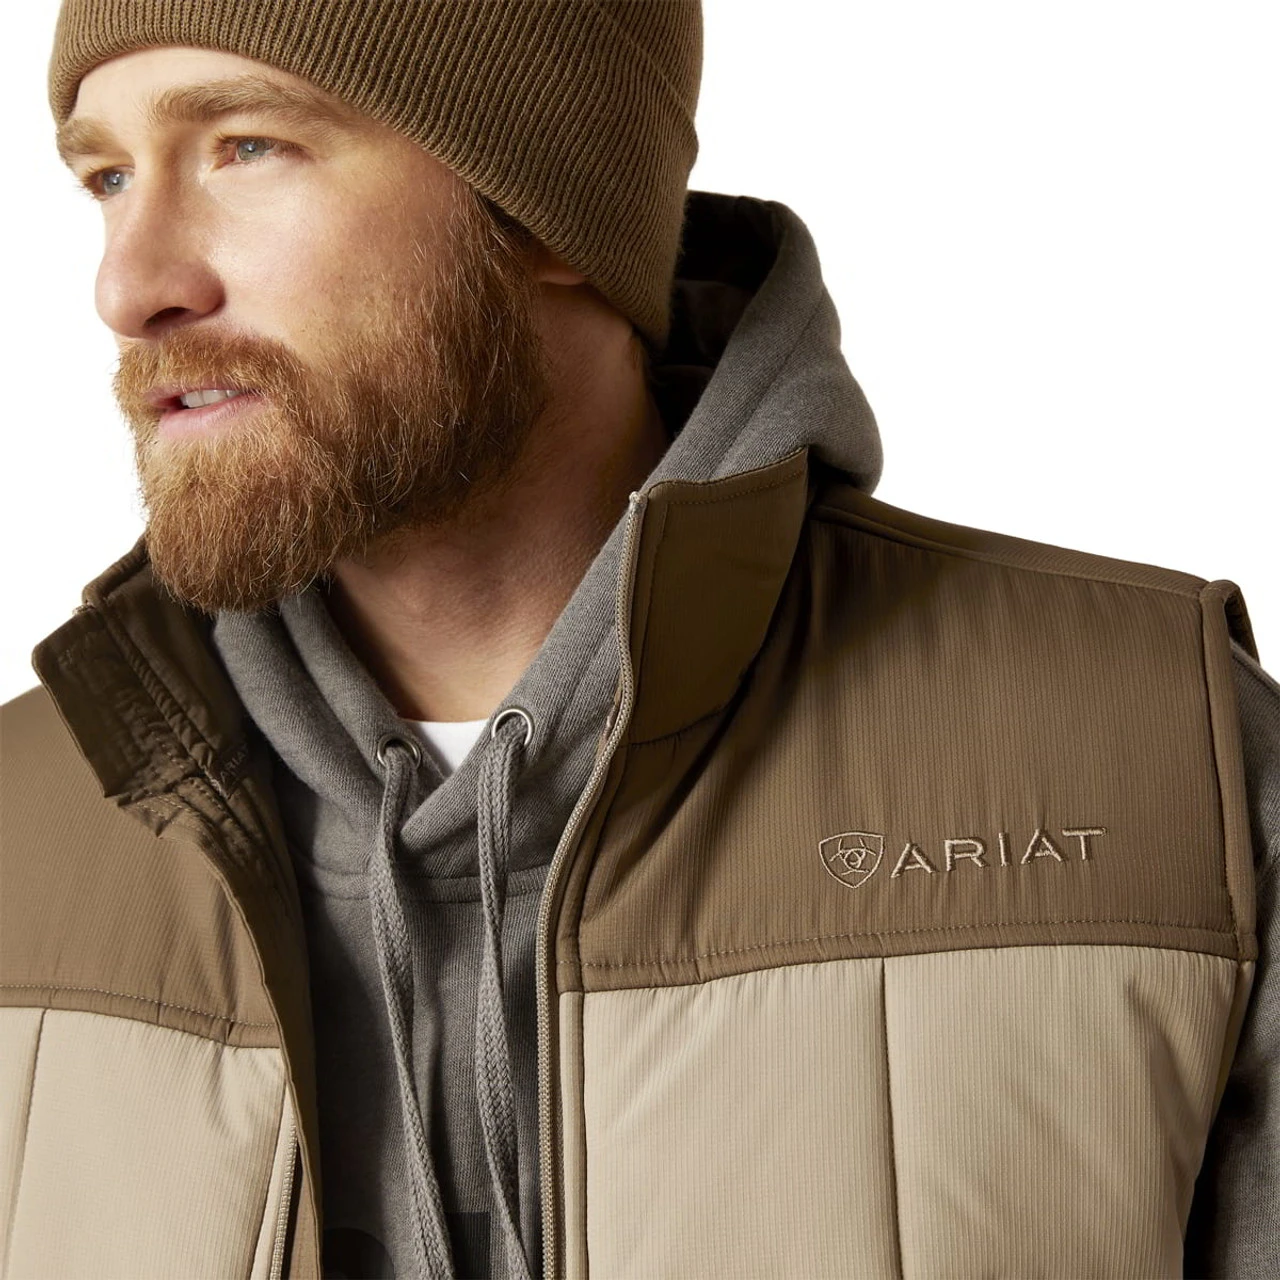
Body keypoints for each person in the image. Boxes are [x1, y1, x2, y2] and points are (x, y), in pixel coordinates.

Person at [0, 2, 1275, 1277]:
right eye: (106, 177)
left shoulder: (1168, 762)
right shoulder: (21, 830)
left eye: (246, 147)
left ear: (549, 210)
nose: (130, 286)